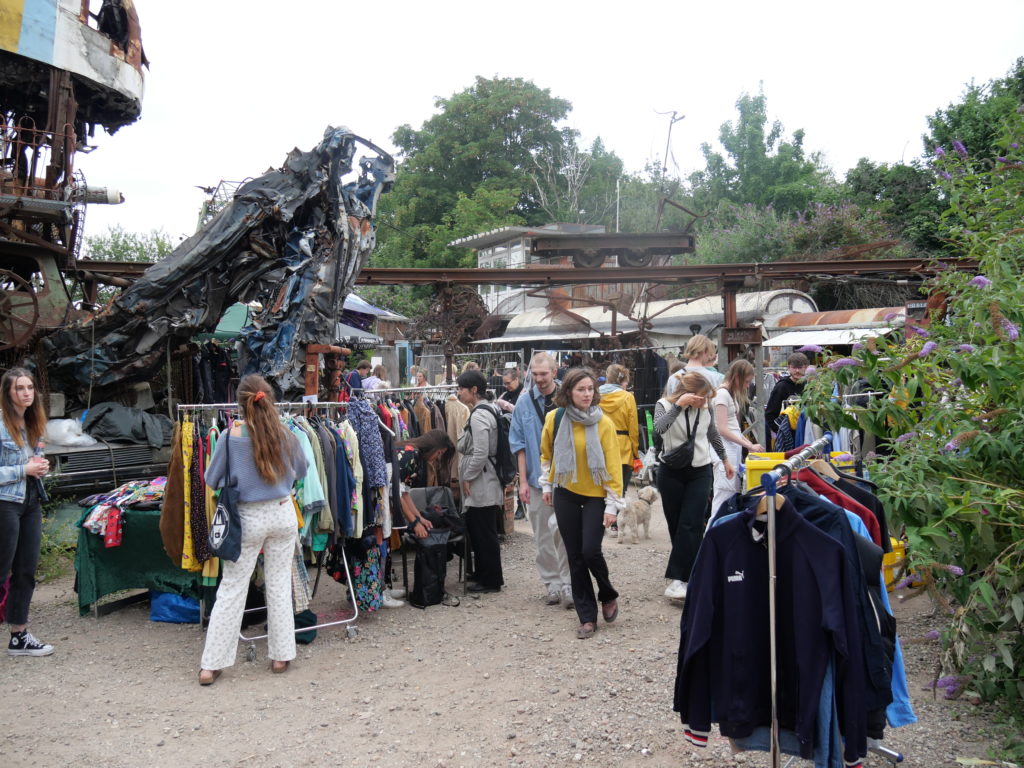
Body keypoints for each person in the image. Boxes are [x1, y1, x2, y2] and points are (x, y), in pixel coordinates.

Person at [199, 374, 308, 685]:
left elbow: (212, 479)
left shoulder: (229, 438)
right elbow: (301, 471)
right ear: (269, 399)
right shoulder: (286, 434)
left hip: (246, 518)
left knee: (232, 588)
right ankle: (281, 655)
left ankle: (212, 664)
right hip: (282, 514)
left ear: (240, 402)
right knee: (277, 584)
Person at [541, 368, 623, 639]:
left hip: (595, 496)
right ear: (568, 392)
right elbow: (546, 455)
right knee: (574, 556)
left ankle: (608, 593)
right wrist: (546, 485)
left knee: (590, 551)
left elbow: (613, 466)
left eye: (590, 389)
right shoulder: (555, 418)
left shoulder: (604, 423)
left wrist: (612, 506)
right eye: (581, 390)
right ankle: (587, 617)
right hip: (565, 491)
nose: (587, 394)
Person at [655, 372, 733, 601]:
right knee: (677, 524)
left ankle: (684, 578)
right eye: (700, 397)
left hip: (700, 469)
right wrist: (678, 406)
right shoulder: (663, 405)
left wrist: (725, 459)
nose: (703, 401)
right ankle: (688, 576)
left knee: (693, 522)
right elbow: (659, 430)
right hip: (671, 471)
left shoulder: (705, 407)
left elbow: (712, 434)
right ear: (688, 393)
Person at [509, 352, 573, 609]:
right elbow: (519, 445)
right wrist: (522, 482)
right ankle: (552, 584)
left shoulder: (567, 400)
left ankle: (569, 584)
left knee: (566, 534)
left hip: (567, 480)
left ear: (554, 373)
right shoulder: (524, 403)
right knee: (543, 536)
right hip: (536, 480)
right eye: (534, 374)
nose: (539, 379)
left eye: (543, 374)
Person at [0, 368, 54, 657]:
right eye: (19, 388)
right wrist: (24, 469)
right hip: (4, 502)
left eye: (30, 387)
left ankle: (18, 636)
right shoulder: (0, 423)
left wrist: (41, 466)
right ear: (8, 393)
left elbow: (37, 457)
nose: (26, 393)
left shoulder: (34, 422)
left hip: (31, 500)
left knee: (25, 570)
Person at [396, 429, 460, 606]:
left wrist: (419, 518)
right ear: (433, 447)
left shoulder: (413, 455)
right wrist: (415, 522)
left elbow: (405, 493)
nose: (438, 457)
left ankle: (380, 590)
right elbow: (397, 494)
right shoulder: (410, 454)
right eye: (439, 453)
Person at [455, 370, 504, 593]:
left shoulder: (479, 415)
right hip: (485, 476)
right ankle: (485, 575)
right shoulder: (488, 409)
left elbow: (481, 451)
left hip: (482, 478)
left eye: (462, 389)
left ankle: (490, 580)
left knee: (484, 530)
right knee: (482, 528)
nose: (458, 393)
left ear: (474, 390)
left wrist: (468, 476)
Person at [711, 359, 764, 521]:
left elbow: (732, 427)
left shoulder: (727, 394)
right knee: (722, 502)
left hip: (730, 453)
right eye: (747, 382)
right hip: (724, 454)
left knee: (728, 500)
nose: (748, 386)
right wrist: (748, 444)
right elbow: (722, 429)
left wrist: (747, 444)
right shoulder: (722, 394)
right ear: (738, 377)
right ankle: (710, 539)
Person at [598, 364, 639, 536]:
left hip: (601, 443)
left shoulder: (596, 395)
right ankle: (615, 524)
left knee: (601, 485)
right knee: (620, 486)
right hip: (623, 445)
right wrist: (635, 452)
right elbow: (633, 428)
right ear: (623, 380)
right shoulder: (628, 397)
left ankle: (600, 520)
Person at [765, 351, 809, 447]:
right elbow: (769, 415)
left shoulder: (809, 386)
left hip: (806, 433)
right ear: (789, 368)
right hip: (788, 436)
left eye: (800, 367)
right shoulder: (782, 386)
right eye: (794, 367)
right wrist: (782, 432)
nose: (797, 371)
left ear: (806, 367)